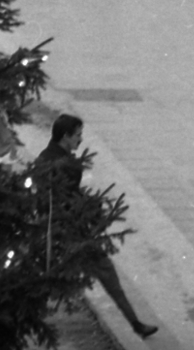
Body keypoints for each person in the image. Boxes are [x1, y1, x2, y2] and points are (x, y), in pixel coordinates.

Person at [32, 115, 159, 339]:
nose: (81, 140)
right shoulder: (68, 165)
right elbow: (69, 200)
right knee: (106, 272)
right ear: (65, 137)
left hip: (50, 230)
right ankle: (136, 323)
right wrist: (91, 209)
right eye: (78, 135)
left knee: (48, 278)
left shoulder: (43, 158)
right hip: (72, 232)